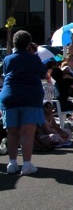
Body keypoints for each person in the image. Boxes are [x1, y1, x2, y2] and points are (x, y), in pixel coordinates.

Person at [0, 30, 46, 175]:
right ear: (28, 44)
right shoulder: (33, 58)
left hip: (9, 96)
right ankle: (26, 165)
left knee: (12, 132)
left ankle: (12, 163)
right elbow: (43, 74)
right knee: (27, 133)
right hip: (30, 96)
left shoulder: (8, 59)